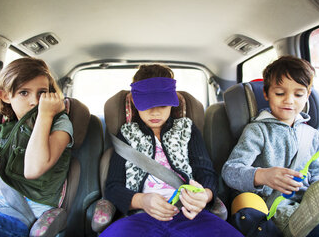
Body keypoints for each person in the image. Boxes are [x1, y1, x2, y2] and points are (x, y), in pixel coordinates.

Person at [102, 64, 242, 236]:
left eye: (162, 105)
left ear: (172, 101)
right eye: (147, 105)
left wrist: (205, 196)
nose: (155, 112)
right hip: (142, 215)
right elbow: (113, 187)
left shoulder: (186, 129)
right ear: (134, 101)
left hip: (189, 213)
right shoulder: (126, 134)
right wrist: (142, 200)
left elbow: (205, 172)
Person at [222, 55, 319, 237]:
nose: (289, 100)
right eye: (280, 93)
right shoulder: (257, 130)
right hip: (270, 203)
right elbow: (230, 170)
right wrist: (262, 176)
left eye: (298, 94)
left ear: (308, 95)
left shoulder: (311, 135)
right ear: (266, 94)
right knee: (251, 213)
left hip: (306, 202)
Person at [0, 57, 74, 236]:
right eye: (24, 93)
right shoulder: (1, 134)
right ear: (5, 95)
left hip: (25, 221)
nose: (34, 101)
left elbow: (33, 169)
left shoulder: (60, 126)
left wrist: (45, 115)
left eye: (42, 93)